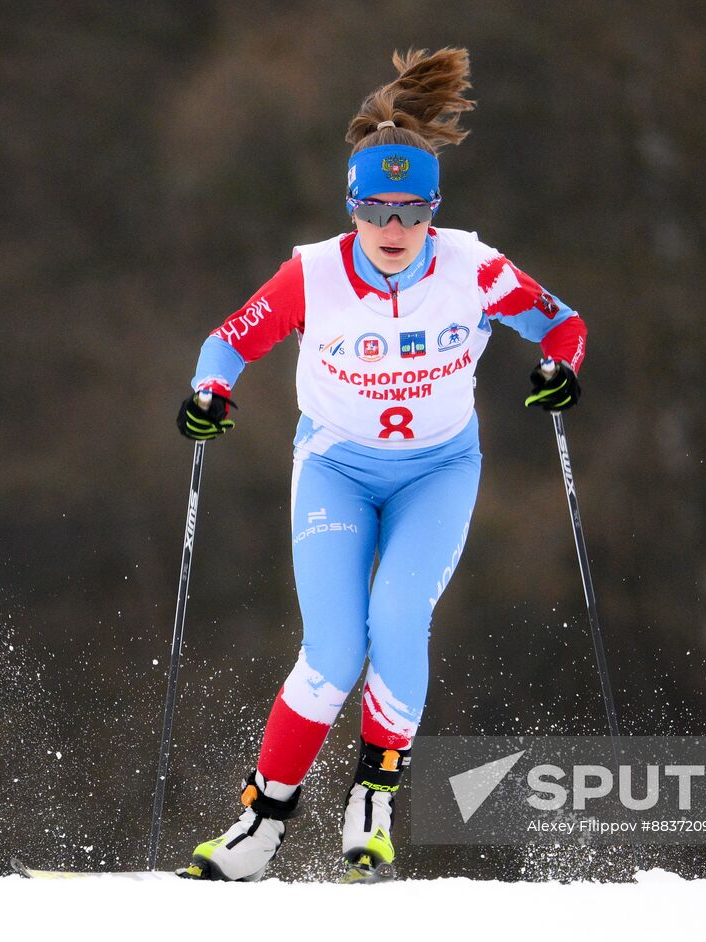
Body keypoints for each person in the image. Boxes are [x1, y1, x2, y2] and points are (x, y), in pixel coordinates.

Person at [173, 47, 586, 882]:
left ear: (433, 208)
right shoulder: (312, 274)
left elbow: (563, 326)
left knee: (397, 621)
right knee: (332, 649)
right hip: (335, 467)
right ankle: (260, 828)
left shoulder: (474, 267)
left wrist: (559, 372)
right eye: (376, 209)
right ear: (351, 208)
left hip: (438, 472)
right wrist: (209, 392)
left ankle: (372, 803)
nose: (393, 231)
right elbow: (228, 341)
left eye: (411, 210)